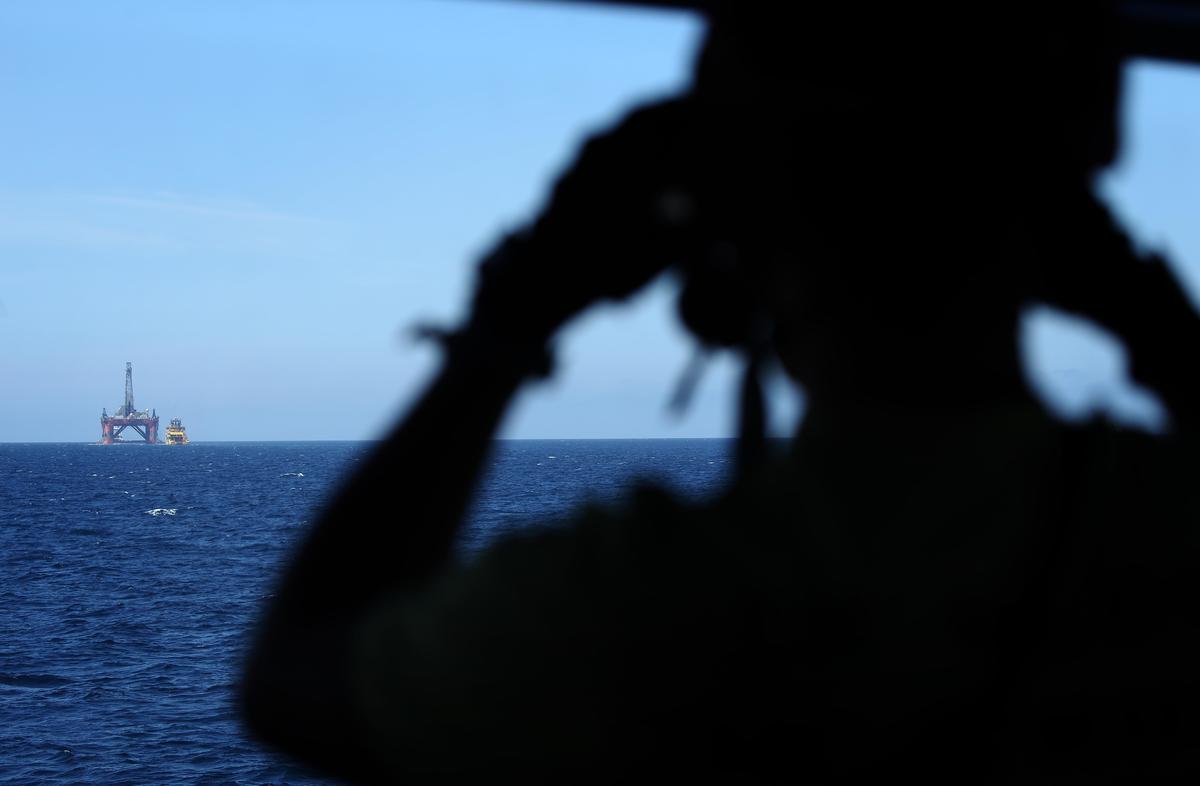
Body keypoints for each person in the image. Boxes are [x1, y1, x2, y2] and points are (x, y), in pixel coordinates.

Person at [242, 3, 1200, 781]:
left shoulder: (628, 607)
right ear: (1061, 193)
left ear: (738, 221)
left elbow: (291, 682)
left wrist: (507, 326)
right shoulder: (1160, 531)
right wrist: (1144, 306)